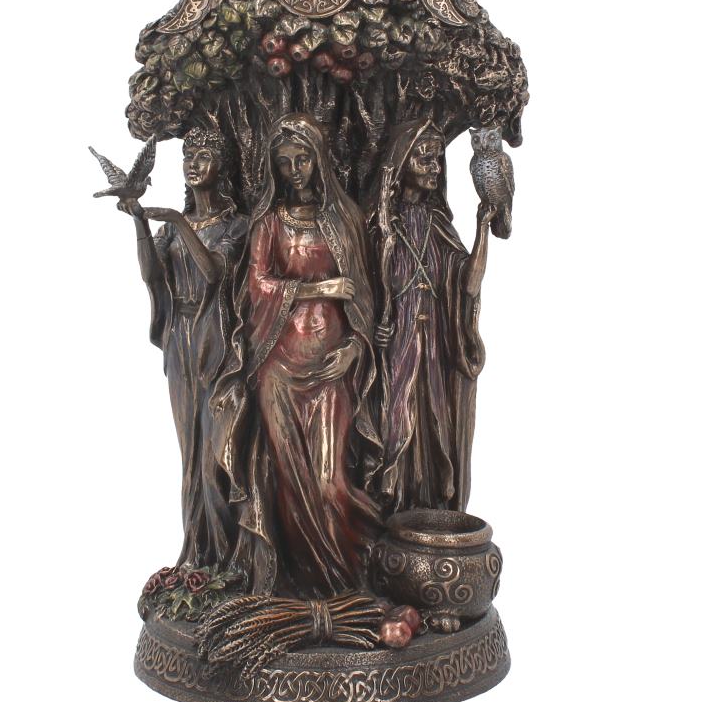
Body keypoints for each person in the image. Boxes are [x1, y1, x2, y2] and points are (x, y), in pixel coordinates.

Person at [213, 113, 382, 597]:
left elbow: (365, 298)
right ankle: (301, 592)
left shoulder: (343, 220)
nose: (295, 170)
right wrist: (318, 288)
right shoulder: (269, 224)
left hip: (331, 365)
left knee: (330, 482)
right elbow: (257, 285)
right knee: (289, 480)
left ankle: (349, 584)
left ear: (319, 158)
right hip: (279, 368)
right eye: (284, 162)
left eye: (302, 158)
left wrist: (355, 348)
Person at [118, 127, 247, 569]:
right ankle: (198, 551)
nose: (193, 164)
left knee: (216, 450)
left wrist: (177, 220)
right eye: (188, 156)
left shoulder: (236, 225)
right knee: (189, 448)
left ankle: (231, 554)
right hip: (180, 337)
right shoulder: (172, 230)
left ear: (222, 166)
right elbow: (151, 274)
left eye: (203, 156)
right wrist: (139, 219)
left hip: (216, 337)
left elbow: (214, 273)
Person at [368, 119, 494, 513]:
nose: (433, 167)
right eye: (424, 158)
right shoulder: (382, 224)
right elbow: (365, 282)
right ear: (402, 161)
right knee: (397, 417)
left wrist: (482, 229)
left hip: (436, 336)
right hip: (398, 338)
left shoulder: (439, 224)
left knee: (436, 419)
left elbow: (468, 283)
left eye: (437, 159)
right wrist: (375, 323)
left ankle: (429, 503)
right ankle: (389, 502)